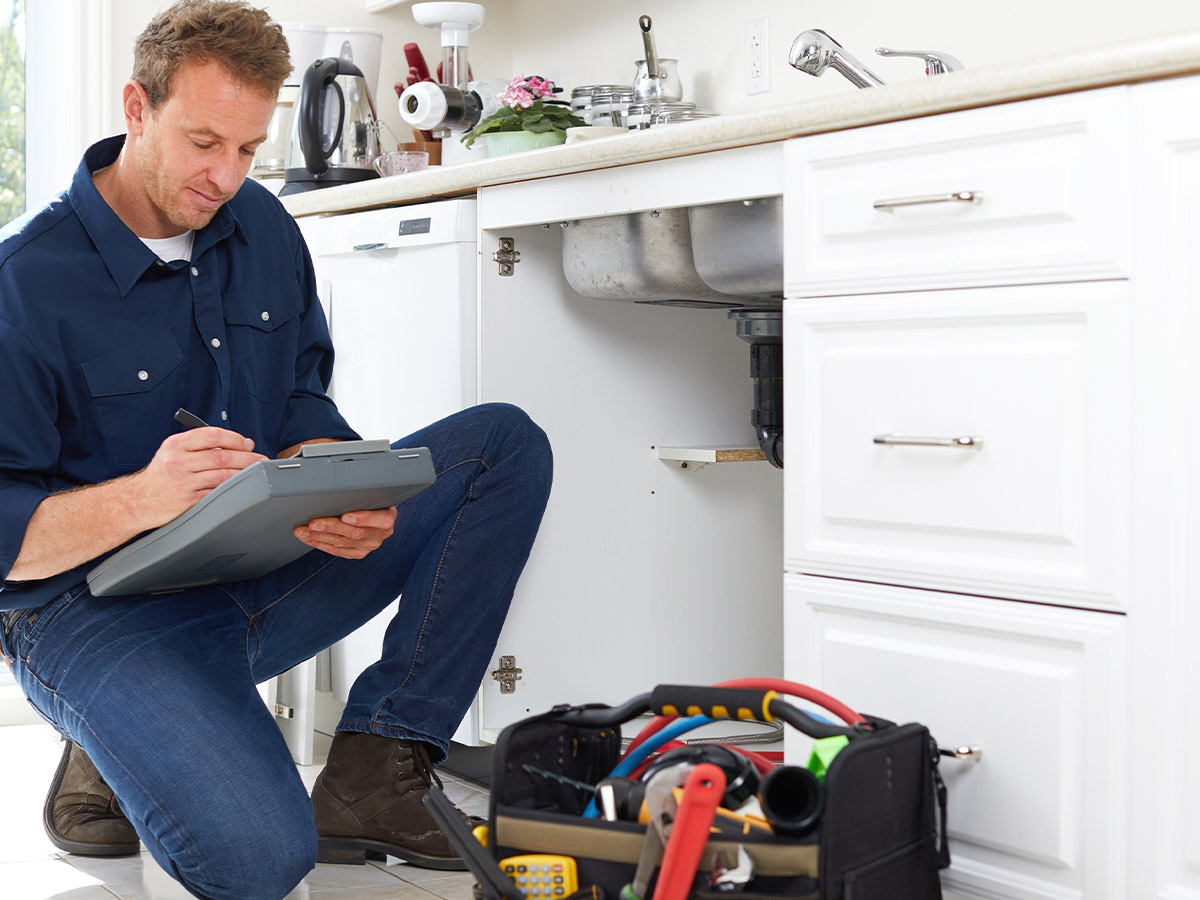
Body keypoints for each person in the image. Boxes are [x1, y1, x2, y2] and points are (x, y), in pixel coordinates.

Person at [0, 2, 552, 899]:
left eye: (250, 149)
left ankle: (377, 767)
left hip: (258, 568)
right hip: (93, 612)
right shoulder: (24, 285)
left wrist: (334, 478)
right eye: (203, 142)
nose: (226, 176)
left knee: (501, 447)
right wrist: (147, 496)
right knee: (259, 860)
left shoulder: (260, 225)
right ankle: (118, 731)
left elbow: (300, 392)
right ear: (136, 108)